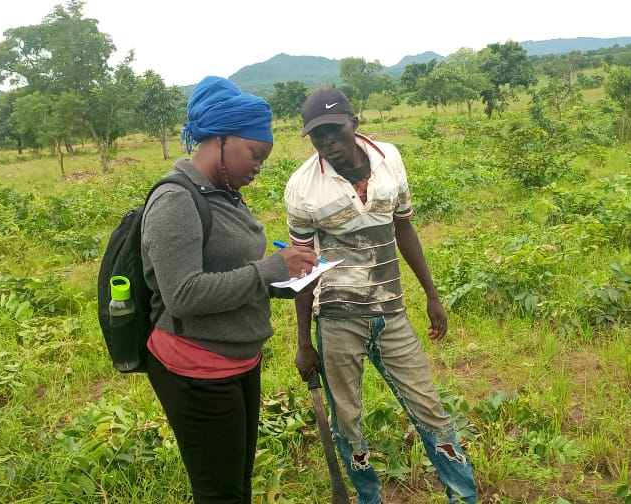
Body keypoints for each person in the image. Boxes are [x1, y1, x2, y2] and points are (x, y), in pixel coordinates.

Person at [284, 88, 477, 504]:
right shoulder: (303, 187)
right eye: (317, 135)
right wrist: (303, 342)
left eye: (334, 130)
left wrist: (431, 294)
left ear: (354, 122)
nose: (326, 142)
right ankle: (369, 498)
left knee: (431, 410)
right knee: (347, 422)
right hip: (336, 318)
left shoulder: (389, 160)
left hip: (392, 313)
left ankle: (464, 496)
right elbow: (303, 268)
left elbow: (403, 228)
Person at [140, 75, 318, 503]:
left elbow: (233, 273)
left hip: (239, 361)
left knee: (237, 481)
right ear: (221, 139)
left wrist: (285, 281)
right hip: (197, 370)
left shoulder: (224, 194)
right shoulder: (175, 201)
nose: (258, 167)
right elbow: (183, 294)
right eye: (255, 154)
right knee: (220, 492)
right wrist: (269, 268)